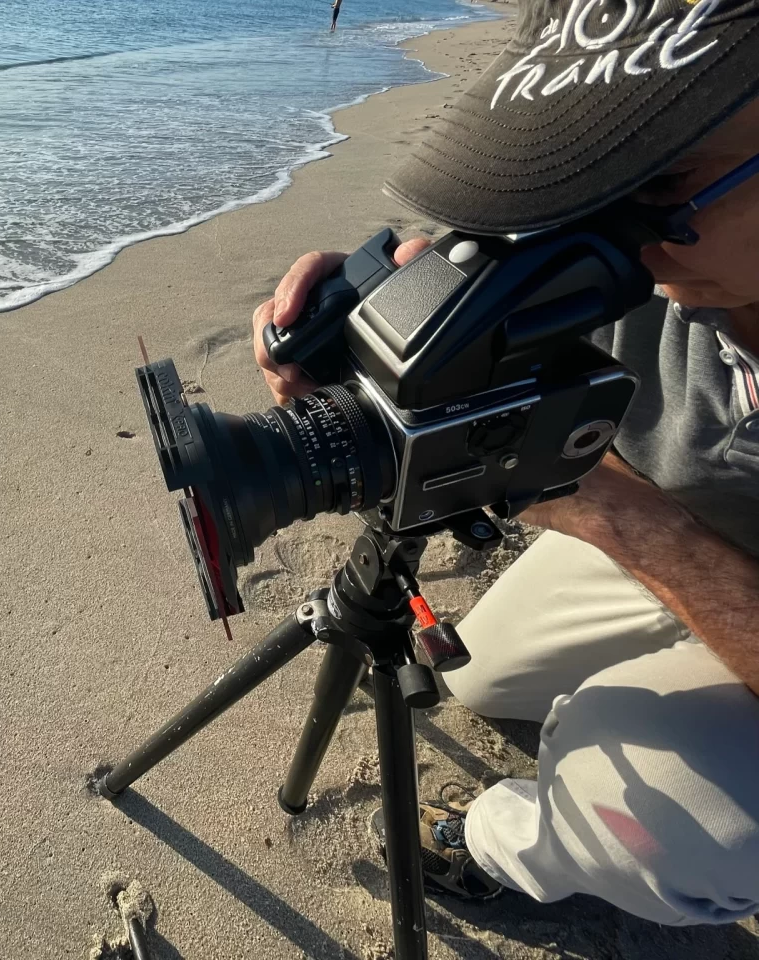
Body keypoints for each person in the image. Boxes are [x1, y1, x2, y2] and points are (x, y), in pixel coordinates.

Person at [252, 0, 759, 927]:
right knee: (484, 672)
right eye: (577, 169)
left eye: (663, 176)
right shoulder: (646, 243)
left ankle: (507, 848)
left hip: (664, 525)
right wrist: (399, 306)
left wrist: (625, 522)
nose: (604, 241)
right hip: (701, 522)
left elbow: (618, 514)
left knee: (695, 824)